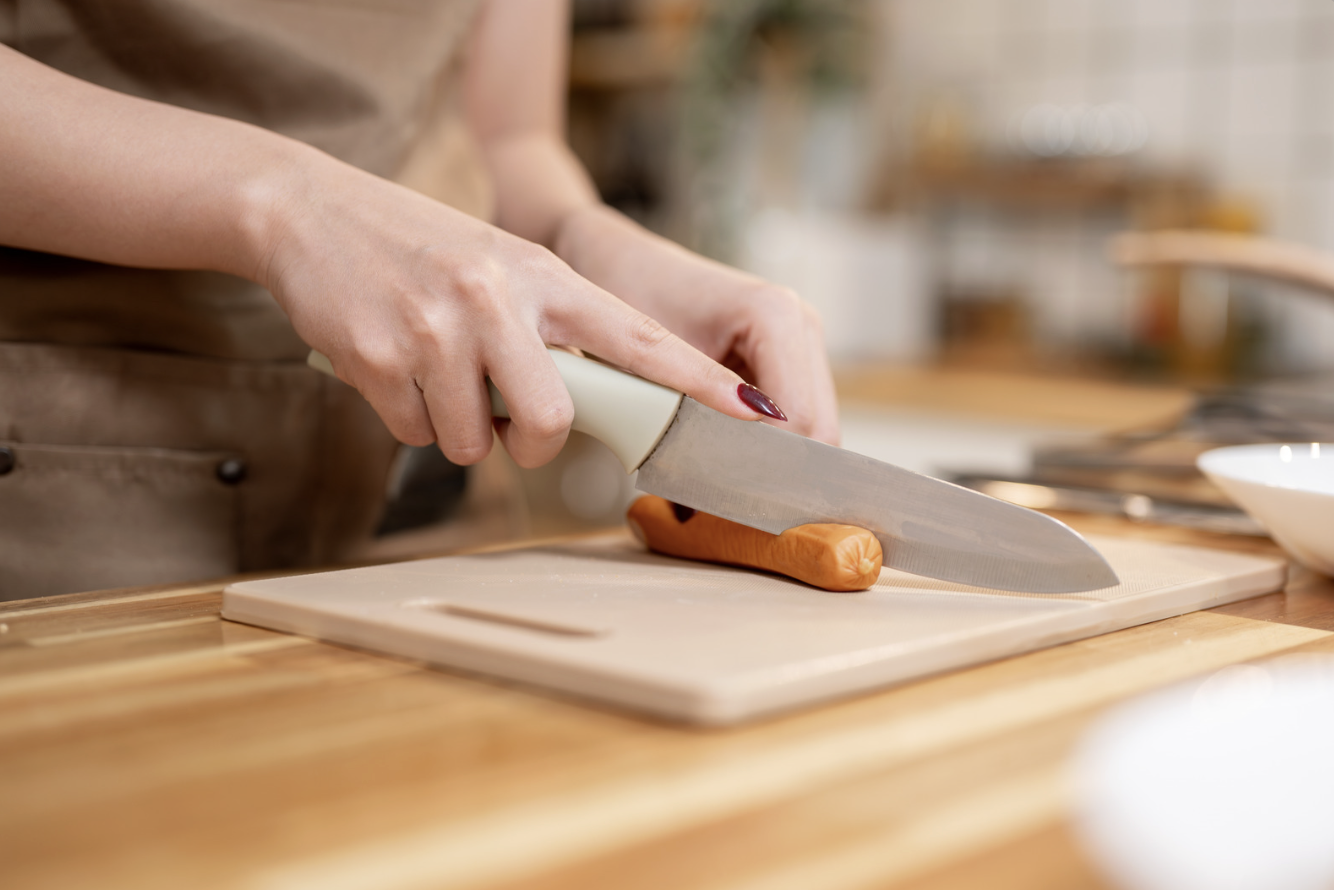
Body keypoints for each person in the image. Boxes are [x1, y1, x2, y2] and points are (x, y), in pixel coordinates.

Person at [0, 0, 839, 598]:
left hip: (431, 515)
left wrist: (582, 240)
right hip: (83, 509)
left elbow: (508, 137)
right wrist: (286, 207)